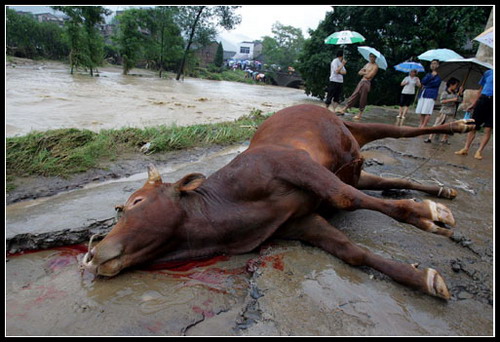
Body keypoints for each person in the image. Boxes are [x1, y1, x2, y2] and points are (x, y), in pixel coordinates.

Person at [455, 68, 494, 160]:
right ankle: (466, 148)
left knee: (488, 128)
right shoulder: (488, 73)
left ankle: (479, 151)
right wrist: (473, 104)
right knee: (473, 125)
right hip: (483, 100)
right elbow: (480, 90)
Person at [336, 53, 379, 120]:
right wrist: (366, 72)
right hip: (362, 81)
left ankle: (360, 114)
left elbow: (369, 76)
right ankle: (345, 108)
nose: (371, 58)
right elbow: (359, 72)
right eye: (370, 56)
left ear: (375, 58)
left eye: (373, 57)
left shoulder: (375, 66)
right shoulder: (367, 64)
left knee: (363, 97)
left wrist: (364, 72)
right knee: (354, 95)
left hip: (367, 82)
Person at [424, 77, 461, 144]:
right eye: (456, 85)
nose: (456, 87)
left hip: (451, 112)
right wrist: (452, 100)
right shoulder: (445, 93)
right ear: (451, 85)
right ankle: (430, 138)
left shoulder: (456, 94)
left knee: (449, 127)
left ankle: (445, 139)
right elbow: (442, 101)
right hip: (444, 112)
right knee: (437, 125)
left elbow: (459, 100)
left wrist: (460, 94)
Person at [415, 59, 442, 129]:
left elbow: (435, 83)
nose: (433, 65)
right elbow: (423, 81)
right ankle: (421, 123)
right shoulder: (428, 74)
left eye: (435, 63)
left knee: (427, 111)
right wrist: (431, 77)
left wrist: (427, 84)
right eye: (432, 63)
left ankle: (424, 125)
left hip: (431, 94)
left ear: (438, 65)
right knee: (421, 110)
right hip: (423, 93)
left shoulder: (439, 76)